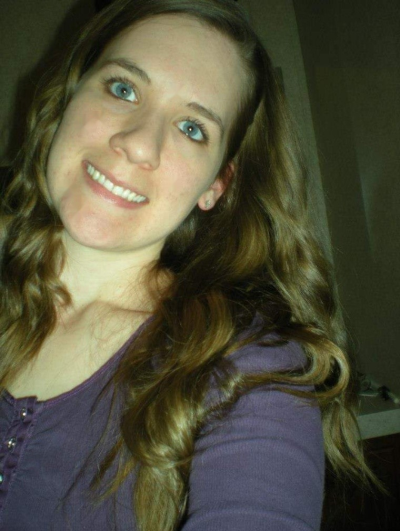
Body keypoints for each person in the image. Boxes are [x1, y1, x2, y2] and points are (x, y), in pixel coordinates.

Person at [0, 0, 376, 529]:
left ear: (215, 185)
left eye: (192, 128)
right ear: (71, 95)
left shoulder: (249, 369)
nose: (138, 145)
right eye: (123, 88)